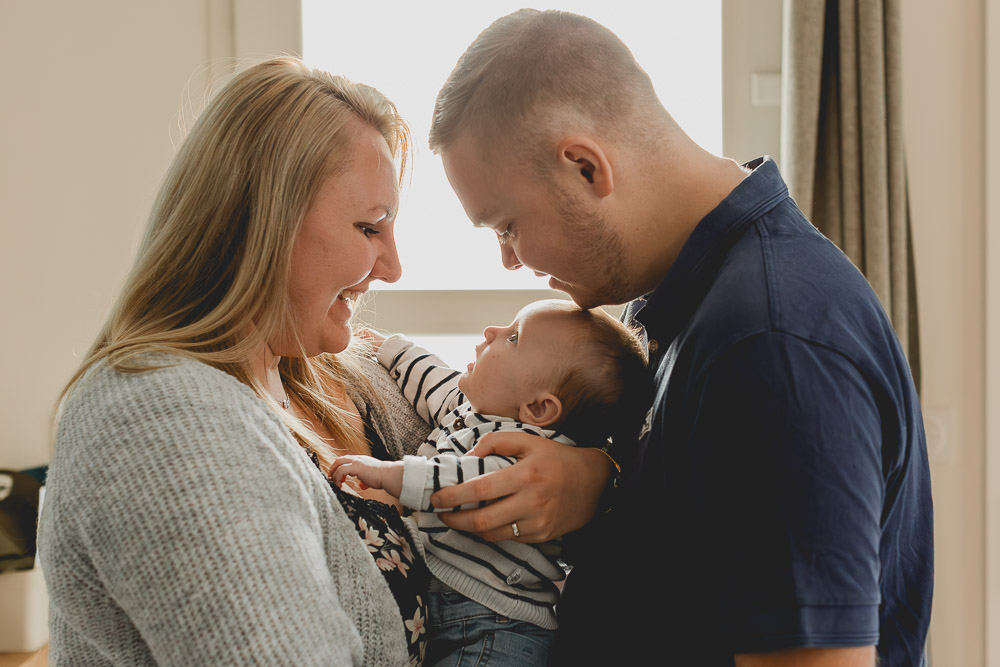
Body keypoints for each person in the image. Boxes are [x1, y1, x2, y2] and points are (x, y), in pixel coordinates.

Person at [424, 9, 933, 667]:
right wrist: (602, 479)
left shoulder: (767, 344)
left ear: (584, 166)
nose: (509, 261)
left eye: (507, 226)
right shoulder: (679, 303)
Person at [38, 58, 437, 666]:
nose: (392, 268)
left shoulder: (344, 378)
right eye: (368, 228)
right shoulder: (155, 418)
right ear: (262, 222)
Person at [330, 299, 652, 666]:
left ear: (539, 409)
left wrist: (387, 473)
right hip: (452, 607)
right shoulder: (470, 407)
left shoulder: (530, 450)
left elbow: (459, 485)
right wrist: (391, 348)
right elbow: (433, 379)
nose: (491, 332)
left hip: (497, 623)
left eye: (514, 337)